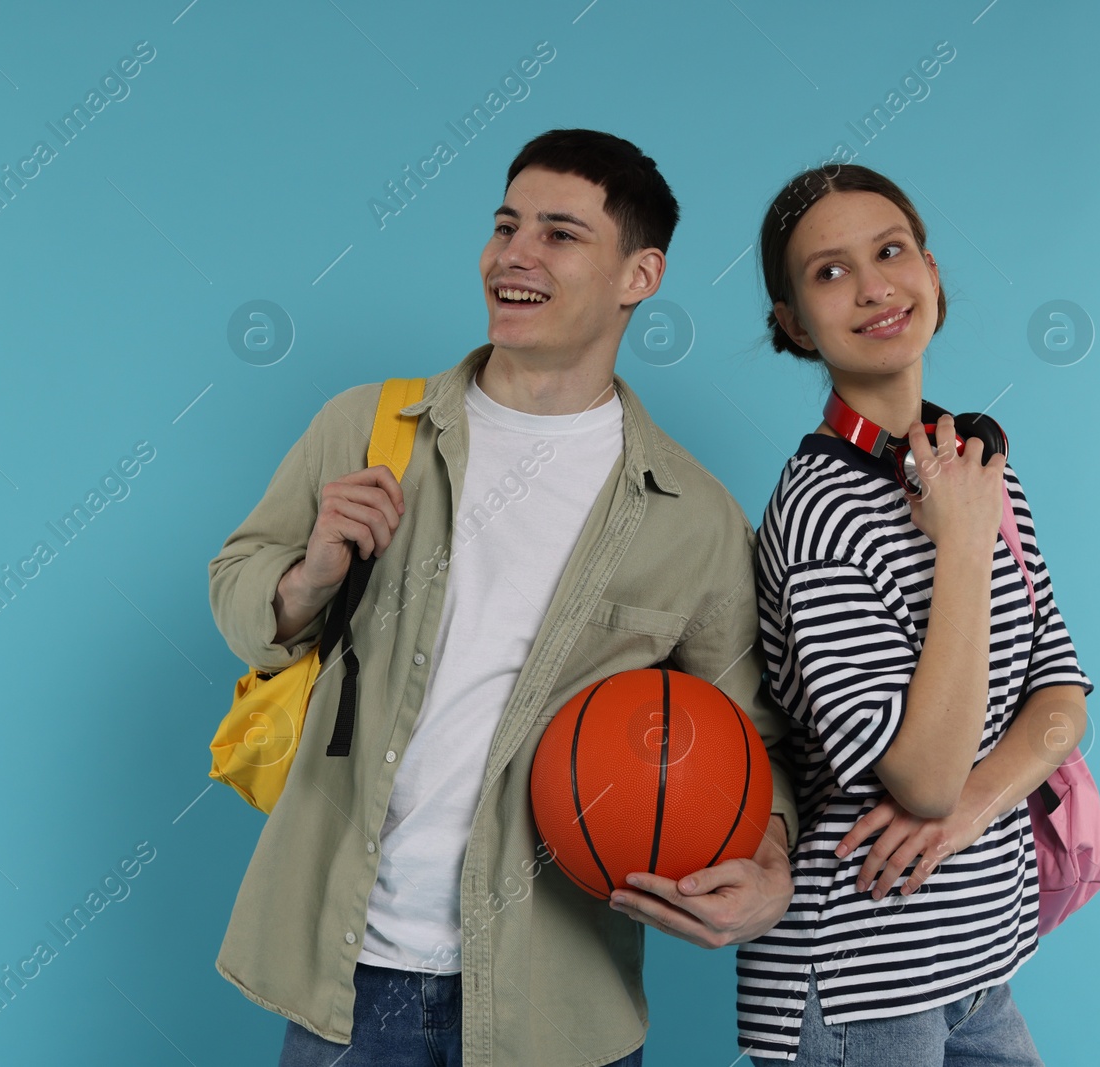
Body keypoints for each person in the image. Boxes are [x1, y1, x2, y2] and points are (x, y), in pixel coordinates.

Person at [208, 129, 803, 1067]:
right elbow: (239, 594)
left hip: (557, 1005)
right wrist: (310, 576)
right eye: (504, 225)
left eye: (560, 234)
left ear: (638, 275)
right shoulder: (369, 426)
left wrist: (771, 868)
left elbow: (753, 736)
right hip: (350, 981)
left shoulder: (693, 517)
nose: (514, 255)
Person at [735, 163, 1094, 1064]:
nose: (872, 287)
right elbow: (921, 779)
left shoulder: (978, 465)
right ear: (792, 322)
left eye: (890, 252)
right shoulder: (819, 511)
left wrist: (973, 808)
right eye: (828, 272)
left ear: (931, 272)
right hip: (860, 984)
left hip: (981, 964)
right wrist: (964, 547)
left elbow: (1063, 698)